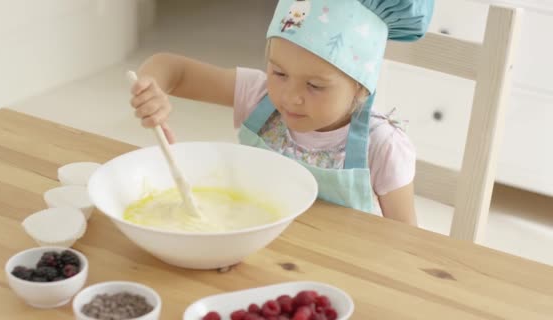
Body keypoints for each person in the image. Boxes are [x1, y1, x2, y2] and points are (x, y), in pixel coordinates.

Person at [129, 0, 434, 225]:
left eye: (314, 85)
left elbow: (404, 243)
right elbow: (174, 69)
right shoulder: (260, 95)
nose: (289, 97)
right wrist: (151, 88)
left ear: (362, 88)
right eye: (279, 72)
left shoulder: (381, 146)